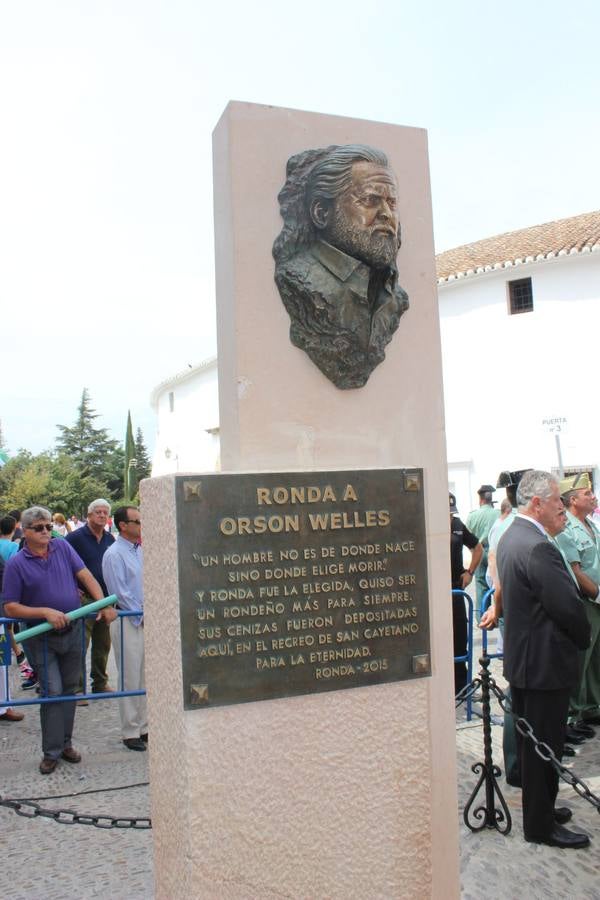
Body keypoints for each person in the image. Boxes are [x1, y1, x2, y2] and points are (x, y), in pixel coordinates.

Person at [496, 470, 591, 848]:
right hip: (544, 665)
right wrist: (582, 637)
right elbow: (567, 607)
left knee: (537, 746)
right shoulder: (537, 545)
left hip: (528, 662)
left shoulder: (512, 535)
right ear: (537, 503)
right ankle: (540, 827)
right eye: (557, 502)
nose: (561, 508)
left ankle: (543, 809)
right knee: (543, 746)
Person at [273, 144, 409, 388]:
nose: (387, 214)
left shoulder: (395, 296)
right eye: (370, 200)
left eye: (392, 202)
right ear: (321, 212)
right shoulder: (298, 279)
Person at [1, 506, 116, 774]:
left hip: (72, 630)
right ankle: (51, 751)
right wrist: (44, 612)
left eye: (49, 526)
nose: (46, 532)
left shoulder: (62, 548)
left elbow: (85, 575)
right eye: (39, 528)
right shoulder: (17, 563)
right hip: (40, 637)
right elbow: (10, 607)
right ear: (25, 531)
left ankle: (65, 744)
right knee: (52, 692)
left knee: (69, 689)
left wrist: (103, 603)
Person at [556, 473, 600, 731]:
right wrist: (596, 594)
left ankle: (591, 706)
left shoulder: (591, 524)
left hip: (597, 600)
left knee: (596, 658)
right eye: (587, 493)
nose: (593, 497)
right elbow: (575, 570)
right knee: (581, 659)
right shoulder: (566, 527)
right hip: (586, 601)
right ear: (573, 500)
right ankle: (572, 714)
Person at [102, 506, 147, 751]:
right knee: (130, 675)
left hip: (145, 618)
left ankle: (145, 725)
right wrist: (141, 613)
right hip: (128, 619)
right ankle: (130, 731)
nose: (141, 525)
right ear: (123, 525)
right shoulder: (114, 554)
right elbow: (119, 592)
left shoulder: (140, 550)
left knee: (145, 674)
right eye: (137, 521)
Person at [66, 499, 115, 695]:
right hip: (83, 600)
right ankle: (77, 689)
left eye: (105, 512)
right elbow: (63, 563)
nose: (102, 515)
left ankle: (100, 683)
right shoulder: (74, 538)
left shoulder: (110, 539)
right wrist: (70, 586)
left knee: (103, 644)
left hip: (106, 599)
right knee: (80, 645)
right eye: (98, 512)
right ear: (89, 515)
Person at [449, 492, 482, 694]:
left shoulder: (458, 525)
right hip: (437, 591)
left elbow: (477, 548)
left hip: (456, 588)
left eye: (451, 512)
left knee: (460, 636)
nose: (449, 516)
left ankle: (461, 685)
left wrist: (470, 572)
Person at [466, 484, 500, 620]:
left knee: (480, 583)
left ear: (480, 499)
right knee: (497, 582)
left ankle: (481, 615)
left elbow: (468, 536)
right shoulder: (498, 514)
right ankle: (498, 612)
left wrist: (473, 551)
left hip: (479, 550)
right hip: (494, 550)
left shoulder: (472, 516)